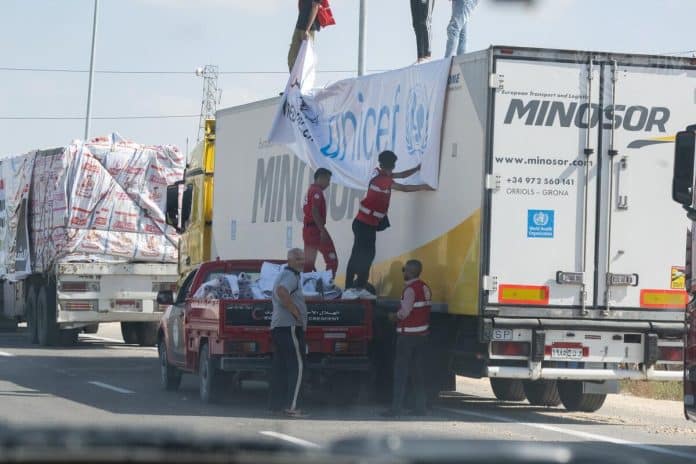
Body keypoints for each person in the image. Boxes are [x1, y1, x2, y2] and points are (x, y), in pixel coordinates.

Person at [344, 151, 432, 298]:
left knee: (363, 255)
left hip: (365, 223)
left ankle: (356, 287)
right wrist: (424, 186)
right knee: (363, 255)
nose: (394, 169)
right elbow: (403, 188)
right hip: (365, 224)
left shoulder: (381, 174)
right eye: (394, 165)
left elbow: (402, 175)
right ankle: (353, 288)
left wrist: (417, 169)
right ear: (391, 165)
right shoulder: (383, 180)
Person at [381, 260, 432, 418]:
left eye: (404, 270)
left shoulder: (410, 290)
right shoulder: (425, 287)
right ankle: (421, 408)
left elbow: (404, 312)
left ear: (409, 271)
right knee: (418, 373)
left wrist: (392, 316)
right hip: (422, 336)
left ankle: (395, 409)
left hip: (407, 336)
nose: (403, 272)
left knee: (401, 373)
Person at [269, 248, 308, 418]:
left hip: (279, 327)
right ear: (289, 260)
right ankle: (293, 407)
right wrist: (297, 313)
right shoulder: (290, 275)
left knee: (281, 368)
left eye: (302, 258)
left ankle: (275, 406)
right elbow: (282, 292)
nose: (301, 261)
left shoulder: (287, 274)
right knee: (297, 367)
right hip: (289, 327)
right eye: (297, 259)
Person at [303, 168, 338, 277]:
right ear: (320, 178)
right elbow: (314, 211)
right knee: (332, 260)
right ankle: (327, 285)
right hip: (315, 230)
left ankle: (306, 286)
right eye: (327, 180)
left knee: (308, 264)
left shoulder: (311, 189)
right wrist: (322, 231)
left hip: (308, 230)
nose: (328, 183)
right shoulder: (316, 191)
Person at [288, 0, 321, 72]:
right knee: (292, 58)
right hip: (299, 26)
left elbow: (315, 7)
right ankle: (294, 79)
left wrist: (307, 29)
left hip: (309, 29)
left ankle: (302, 80)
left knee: (305, 58)